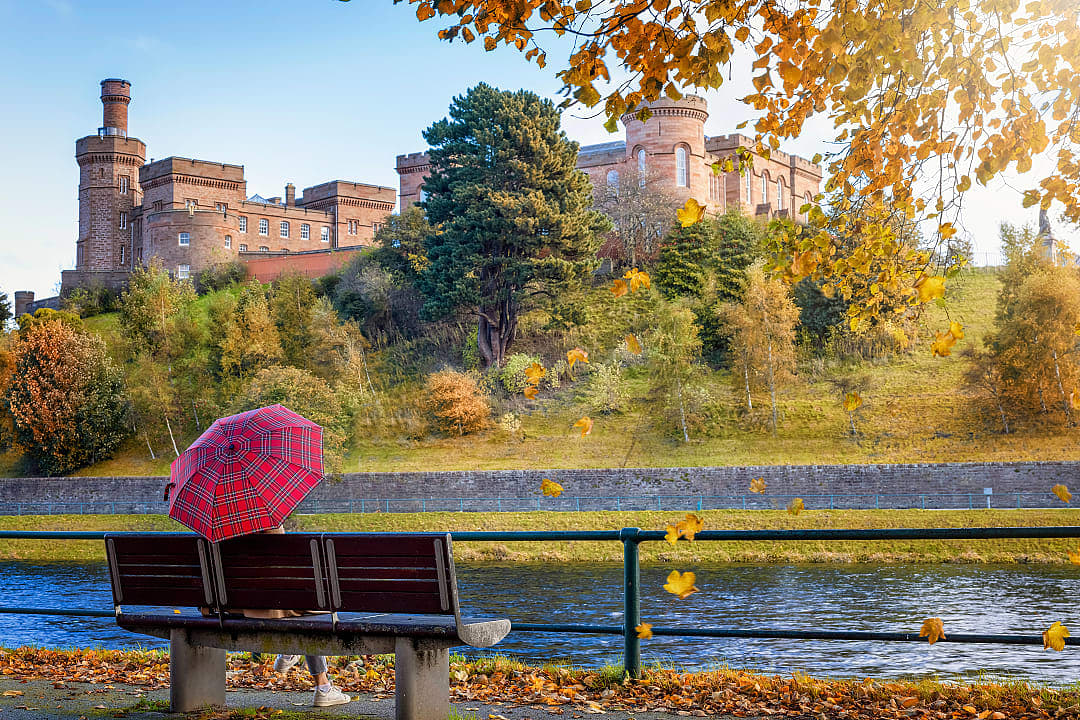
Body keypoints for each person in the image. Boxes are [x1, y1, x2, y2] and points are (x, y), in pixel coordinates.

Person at [243, 526, 350, 708]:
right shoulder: (268, 525)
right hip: (271, 606)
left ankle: (290, 652)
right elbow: (283, 566)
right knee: (319, 610)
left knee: (300, 607)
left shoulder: (216, 532)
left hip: (234, 607)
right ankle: (322, 686)